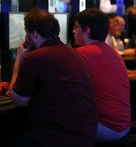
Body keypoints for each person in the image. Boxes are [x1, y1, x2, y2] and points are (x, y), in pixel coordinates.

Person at [9, 8, 98, 147]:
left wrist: (19, 59)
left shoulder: (34, 58)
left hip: (56, 137)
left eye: (27, 33)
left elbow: (18, 99)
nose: (26, 38)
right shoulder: (75, 54)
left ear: (35, 34)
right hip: (86, 135)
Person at [73, 8, 131, 142]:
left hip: (107, 128)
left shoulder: (81, 54)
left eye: (76, 27)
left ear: (87, 30)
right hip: (123, 126)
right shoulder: (113, 52)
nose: (73, 31)